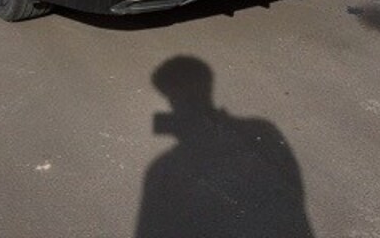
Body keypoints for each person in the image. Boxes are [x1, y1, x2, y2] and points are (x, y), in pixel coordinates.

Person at [135, 56, 315, 238]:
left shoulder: (259, 134)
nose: (185, 98)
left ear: (206, 87)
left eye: (188, 88)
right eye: (176, 92)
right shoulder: (164, 169)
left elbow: (289, 201)